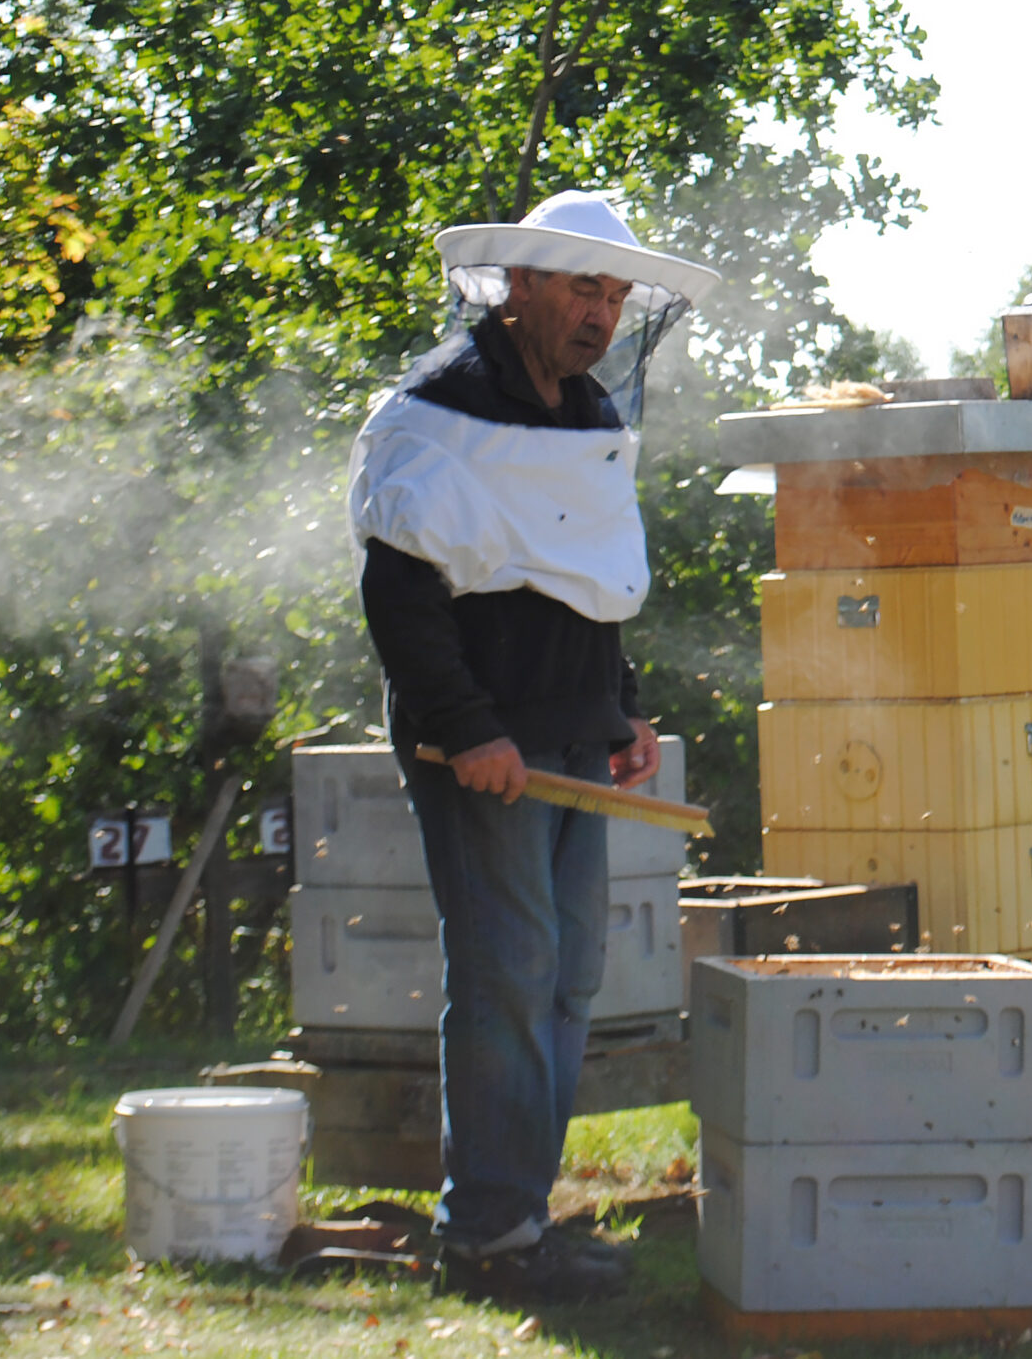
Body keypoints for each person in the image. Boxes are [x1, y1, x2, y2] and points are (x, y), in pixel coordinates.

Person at [348, 192, 718, 1303]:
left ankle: (519, 1214)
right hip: (486, 752)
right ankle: (491, 1231)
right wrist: (467, 731)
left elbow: (586, 580)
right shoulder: (432, 408)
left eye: (613, 293)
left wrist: (624, 711)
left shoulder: (585, 412)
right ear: (518, 287)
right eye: (580, 287)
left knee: (567, 979)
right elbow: (400, 591)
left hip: (568, 741)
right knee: (509, 973)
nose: (601, 311)